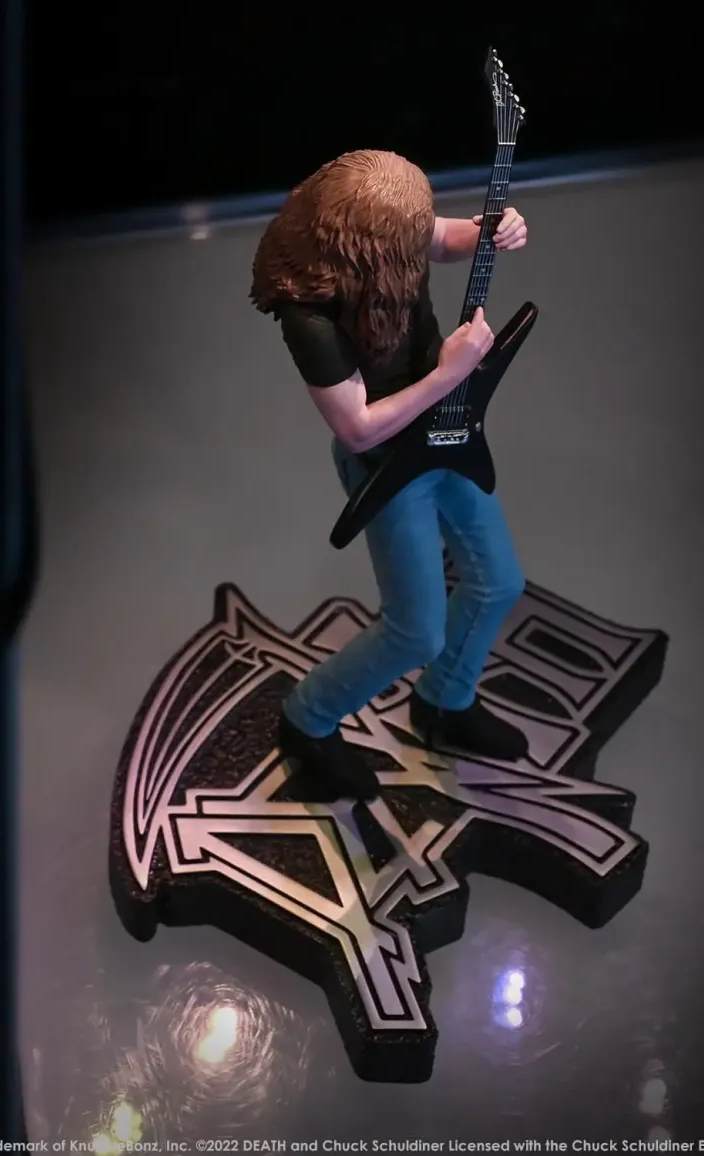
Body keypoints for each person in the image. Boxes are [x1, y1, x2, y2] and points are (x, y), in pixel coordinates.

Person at [250, 149, 530, 801]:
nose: (419, 242)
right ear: (364, 244)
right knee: (415, 631)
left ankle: (444, 702)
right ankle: (308, 720)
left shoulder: (391, 240)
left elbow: (444, 236)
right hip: (388, 463)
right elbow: (357, 428)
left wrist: (490, 231)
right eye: (407, 237)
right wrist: (450, 374)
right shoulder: (309, 313)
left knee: (497, 582)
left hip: (448, 433)